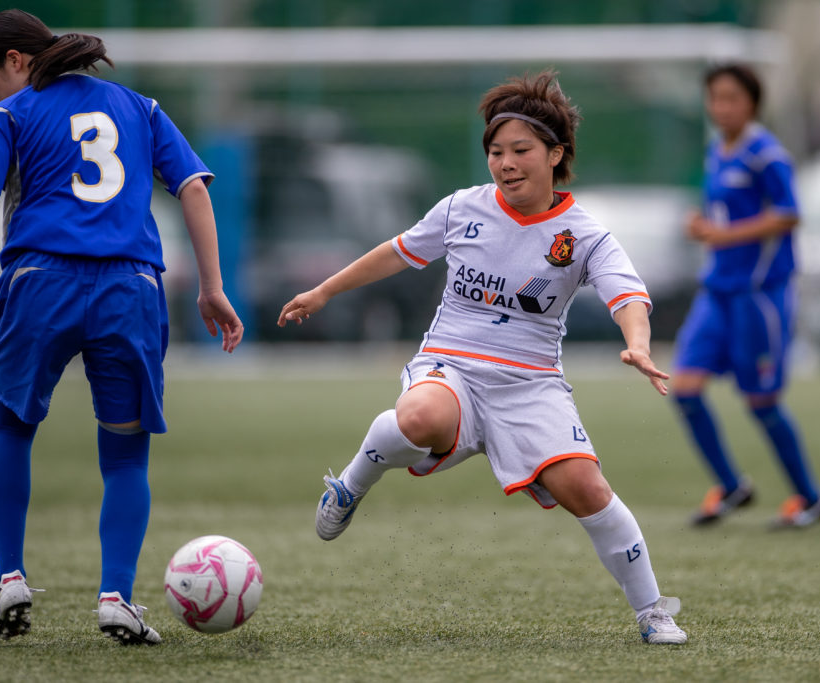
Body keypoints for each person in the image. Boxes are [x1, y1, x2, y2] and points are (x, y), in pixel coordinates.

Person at [279, 70, 687, 644]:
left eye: (520, 150)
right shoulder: (461, 209)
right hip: (452, 366)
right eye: (496, 152)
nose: (505, 163)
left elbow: (628, 295)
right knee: (420, 417)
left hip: (531, 387)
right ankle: (349, 486)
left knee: (587, 489)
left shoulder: (584, 234)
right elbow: (397, 253)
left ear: (555, 153)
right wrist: (324, 291)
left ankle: (653, 612)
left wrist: (638, 344)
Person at [0, 10, 243, 644]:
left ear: (16, 61)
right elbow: (193, 187)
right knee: (124, 455)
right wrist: (213, 287)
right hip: (129, 289)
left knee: (11, 425)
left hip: (41, 284)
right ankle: (115, 596)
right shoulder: (140, 107)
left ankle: (10, 579)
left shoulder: (10, 115)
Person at [671, 62, 820, 528]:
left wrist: (724, 234)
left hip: (758, 294)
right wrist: (701, 226)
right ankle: (732, 485)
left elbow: (788, 214)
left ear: (752, 104)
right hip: (716, 290)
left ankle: (810, 497)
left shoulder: (768, 154)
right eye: (715, 97)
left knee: (761, 402)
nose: (721, 107)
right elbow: (722, 212)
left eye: (731, 98)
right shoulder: (716, 150)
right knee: (684, 389)